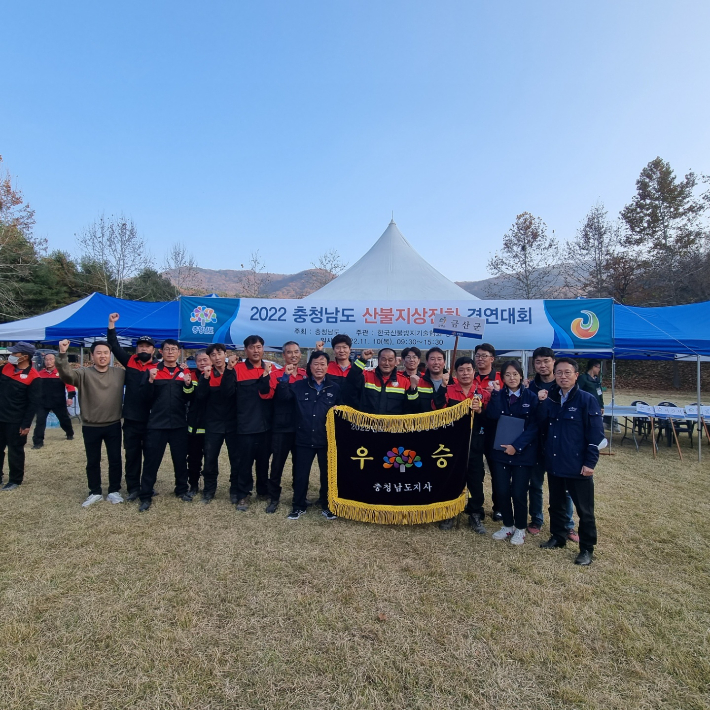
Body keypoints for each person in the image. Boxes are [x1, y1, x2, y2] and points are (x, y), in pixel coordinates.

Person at [537, 357, 604, 566]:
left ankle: (586, 548)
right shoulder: (551, 399)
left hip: (578, 466)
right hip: (555, 463)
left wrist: (590, 464)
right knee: (555, 505)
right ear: (554, 375)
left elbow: (596, 436)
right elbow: (543, 427)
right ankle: (558, 537)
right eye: (559, 373)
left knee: (584, 510)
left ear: (576, 375)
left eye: (567, 372)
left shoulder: (586, 400)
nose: (563, 376)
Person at [56, 339, 125, 507]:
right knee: (92, 461)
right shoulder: (82, 373)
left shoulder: (119, 373)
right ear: (92, 355)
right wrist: (63, 354)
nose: (102, 356)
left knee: (115, 459)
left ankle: (114, 490)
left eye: (106, 353)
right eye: (99, 353)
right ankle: (94, 491)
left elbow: (140, 375)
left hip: (113, 424)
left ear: (110, 355)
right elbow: (66, 375)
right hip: (91, 425)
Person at [276, 350, 341, 520]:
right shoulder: (298, 386)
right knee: (301, 475)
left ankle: (327, 505)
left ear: (328, 367)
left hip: (326, 439)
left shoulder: (335, 388)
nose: (319, 367)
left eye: (322, 364)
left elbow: (342, 412)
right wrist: (284, 379)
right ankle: (298, 506)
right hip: (303, 438)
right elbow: (282, 398)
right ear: (309, 366)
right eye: (316, 364)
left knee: (327, 475)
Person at [432, 356, 489, 533]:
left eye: (468, 369)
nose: (465, 373)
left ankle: (475, 513)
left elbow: (491, 419)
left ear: (474, 372)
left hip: (475, 444)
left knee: (476, 479)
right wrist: (442, 387)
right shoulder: (448, 391)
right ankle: (450, 512)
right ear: (456, 373)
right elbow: (436, 410)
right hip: (452, 445)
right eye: (461, 370)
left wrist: (480, 411)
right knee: (451, 478)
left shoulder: (483, 393)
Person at [137, 340, 194, 512]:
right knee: (151, 461)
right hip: (157, 424)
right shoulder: (152, 371)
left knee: (180, 460)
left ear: (178, 352)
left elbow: (189, 398)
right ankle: (145, 495)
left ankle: (182, 490)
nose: (170, 352)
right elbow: (144, 398)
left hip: (178, 424)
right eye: (167, 349)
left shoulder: (184, 372)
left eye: (174, 349)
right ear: (161, 352)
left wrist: (188, 385)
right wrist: (150, 381)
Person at [527, 347, 578, 541]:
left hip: (560, 445)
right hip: (537, 444)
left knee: (565, 488)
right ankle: (536, 519)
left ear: (553, 362)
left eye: (546, 361)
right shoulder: (529, 387)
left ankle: (568, 525)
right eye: (538, 362)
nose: (542, 365)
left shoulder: (563, 386)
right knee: (536, 485)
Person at [107, 313, 159, 501]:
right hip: (131, 419)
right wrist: (111, 325)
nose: (144, 348)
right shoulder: (130, 362)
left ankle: (147, 487)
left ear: (153, 350)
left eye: (147, 346)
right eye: (141, 346)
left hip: (152, 420)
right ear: (136, 349)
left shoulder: (159, 368)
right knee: (132, 456)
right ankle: (133, 488)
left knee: (151, 457)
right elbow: (113, 345)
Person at [486, 361, 539, 545]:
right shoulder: (498, 395)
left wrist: (516, 446)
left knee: (518, 492)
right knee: (501, 490)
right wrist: (493, 395)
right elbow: (491, 416)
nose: (512, 378)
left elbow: (534, 427)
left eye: (515, 374)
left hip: (522, 454)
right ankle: (508, 525)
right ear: (502, 377)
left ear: (521, 376)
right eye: (508, 374)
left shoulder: (531, 398)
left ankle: (521, 528)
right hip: (500, 452)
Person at [222, 335, 273, 512]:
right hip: (244, 426)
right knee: (244, 463)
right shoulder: (238, 369)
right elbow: (227, 393)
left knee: (263, 462)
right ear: (246, 350)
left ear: (263, 349)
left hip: (265, 426)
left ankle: (263, 491)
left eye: (259, 347)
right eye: (252, 347)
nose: (256, 350)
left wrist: (267, 375)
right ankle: (243, 494)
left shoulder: (269, 369)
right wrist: (229, 369)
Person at [265, 341, 306, 514]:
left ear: (300, 354)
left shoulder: (306, 374)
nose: (293, 355)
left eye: (296, 352)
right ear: (284, 355)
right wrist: (286, 378)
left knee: (300, 466)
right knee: (277, 465)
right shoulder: (276, 374)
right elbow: (279, 398)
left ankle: (299, 497)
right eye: (289, 352)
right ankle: (273, 498)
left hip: (301, 428)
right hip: (281, 428)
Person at [196, 343, 239, 504]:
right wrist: (205, 379)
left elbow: (229, 393)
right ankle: (209, 491)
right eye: (212, 355)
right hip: (213, 424)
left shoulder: (233, 371)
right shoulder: (207, 374)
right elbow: (200, 397)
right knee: (210, 460)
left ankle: (234, 490)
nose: (216, 357)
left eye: (219, 353)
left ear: (225, 354)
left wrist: (228, 370)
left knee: (236, 459)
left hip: (233, 423)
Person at [0, 342, 41, 491]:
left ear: (25, 357)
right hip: (0, 416)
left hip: (16, 420)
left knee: (15, 450)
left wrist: (26, 424)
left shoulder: (34, 376)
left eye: (14, 354)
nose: (11, 356)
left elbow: (33, 404)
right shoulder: (5, 367)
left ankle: (15, 480)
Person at [473, 343, 504, 521]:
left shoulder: (501, 378)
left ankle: (499, 507)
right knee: (475, 471)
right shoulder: (470, 376)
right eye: (478, 355)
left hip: (496, 430)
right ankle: (474, 505)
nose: (480, 359)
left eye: (484, 355)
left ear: (492, 358)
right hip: (476, 430)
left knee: (497, 471)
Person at [346, 347, 418, 414]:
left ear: (395, 361)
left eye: (390, 360)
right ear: (378, 360)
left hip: (393, 426)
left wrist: (413, 389)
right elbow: (351, 381)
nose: (387, 363)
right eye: (383, 359)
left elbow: (411, 407)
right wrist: (362, 360)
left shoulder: (404, 381)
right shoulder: (367, 376)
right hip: (368, 425)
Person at [31, 352, 76, 449]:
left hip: (58, 402)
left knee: (64, 419)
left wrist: (70, 397)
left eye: (51, 359)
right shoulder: (40, 374)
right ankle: (38, 442)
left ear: (55, 361)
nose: (48, 361)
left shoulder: (62, 373)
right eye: (46, 359)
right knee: (40, 421)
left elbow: (70, 385)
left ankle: (69, 433)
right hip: (43, 402)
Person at [186, 350, 210, 495]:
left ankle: (209, 487)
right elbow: (187, 396)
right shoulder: (191, 375)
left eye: (205, 360)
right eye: (199, 360)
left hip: (211, 425)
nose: (202, 363)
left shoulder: (216, 375)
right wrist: (188, 385)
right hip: (194, 425)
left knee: (210, 460)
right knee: (193, 459)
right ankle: (193, 485)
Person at [410, 347, 448, 412]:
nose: (436, 362)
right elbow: (412, 407)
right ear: (427, 362)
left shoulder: (453, 382)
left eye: (439, 359)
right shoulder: (418, 382)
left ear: (444, 362)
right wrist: (412, 389)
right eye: (432, 359)